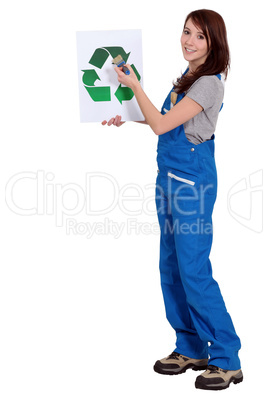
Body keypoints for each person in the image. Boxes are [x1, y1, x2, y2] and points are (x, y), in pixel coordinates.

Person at [102, 9, 243, 391]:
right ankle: (191, 347)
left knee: (194, 271)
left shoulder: (209, 84)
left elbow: (164, 125)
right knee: (172, 268)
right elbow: (163, 117)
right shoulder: (187, 79)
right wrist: (126, 117)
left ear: (214, 43)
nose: (188, 41)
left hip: (192, 185)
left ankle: (227, 358)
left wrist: (134, 88)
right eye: (186, 33)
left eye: (199, 36)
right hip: (168, 180)